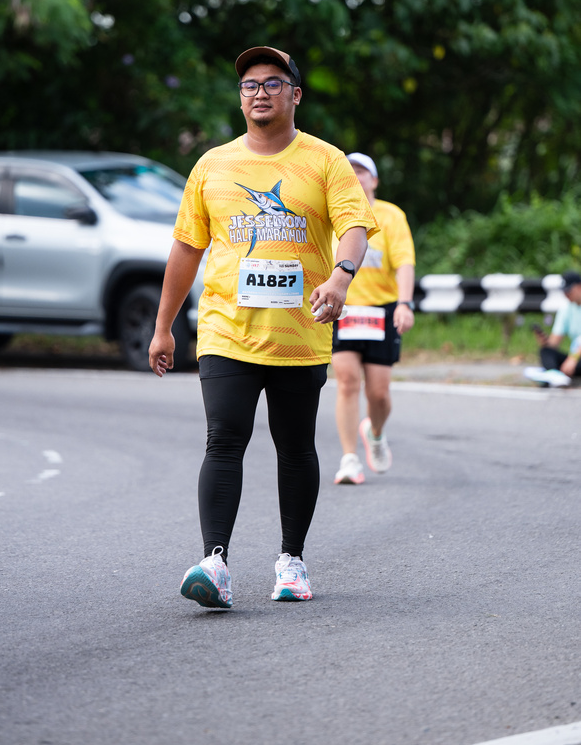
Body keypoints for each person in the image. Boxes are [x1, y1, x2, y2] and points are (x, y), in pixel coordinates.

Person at [148, 46, 378, 609]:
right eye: (249, 85)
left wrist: (342, 275)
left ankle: (291, 561)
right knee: (223, 438)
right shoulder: (213, 165)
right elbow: (186, 248)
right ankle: (215, 562)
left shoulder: (326, 161)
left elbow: (354, 227)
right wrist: (164, 326)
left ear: (295, 95)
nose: (259, 93)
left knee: (295, 446)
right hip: (226, 330)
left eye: (273, 83)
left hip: (301, 333)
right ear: (240, 98)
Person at [331, 152, 415, 485]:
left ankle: (375, 432)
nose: (355, 175)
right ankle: (349, 459)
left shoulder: (391, 216)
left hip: (382, 310)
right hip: (344, 308)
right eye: (349, 170)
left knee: (379, 393)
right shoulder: (333, 211)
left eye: (362, 171)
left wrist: (405, 304)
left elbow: (404, 262)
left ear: (374, 180)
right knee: (347, 381)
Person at [524, 270, 581, 387]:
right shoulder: (566, 309)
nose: (566, 294)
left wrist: (574, 358)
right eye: (564, 291)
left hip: (576, 357)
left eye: (569, 291)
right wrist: (545, 342)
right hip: (574, 358)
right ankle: (554, 376)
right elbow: (554, 343)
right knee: (546, 351)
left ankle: (551, 376)